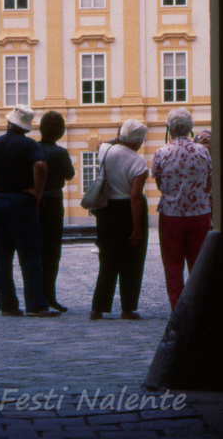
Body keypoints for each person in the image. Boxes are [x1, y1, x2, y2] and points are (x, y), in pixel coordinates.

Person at [0, 105, 57, 317]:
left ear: (8, 123)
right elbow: (41, 166)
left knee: (1, 255)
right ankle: (35, 304)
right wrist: (38, 191)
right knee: (30, 254)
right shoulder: (28, 145)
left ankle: (7, 305)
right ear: (26, 127)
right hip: (20, 202)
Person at [152, 107, 212, 312]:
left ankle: (178, 309)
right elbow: (209, 184)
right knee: (198, 265)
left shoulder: (161, 152)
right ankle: (198, 309)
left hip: (171, 214)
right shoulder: (203, 151)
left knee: (172, 265)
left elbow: (160, 184)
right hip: (200, 214)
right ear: (190, 129)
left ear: (169, 128)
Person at [89, 119, 149, 321]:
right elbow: (135, 196)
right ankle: (127, 308)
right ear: (139, 140)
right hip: (128, 210)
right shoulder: (138, 162)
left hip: (106, 210)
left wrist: (119, 138)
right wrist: (137, 227)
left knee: (107, 259)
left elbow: (101, 143)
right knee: (132, 261)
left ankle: (98, 308)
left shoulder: (106, 150)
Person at [37, 111, 75, 312]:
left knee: (36, 249)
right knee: (52, 252)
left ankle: (37, 296)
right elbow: (70, 174)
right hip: (53, 202)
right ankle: (50, 296)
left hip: (34, 202)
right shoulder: (60, 153)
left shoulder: (33, 148)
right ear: (60, 132)